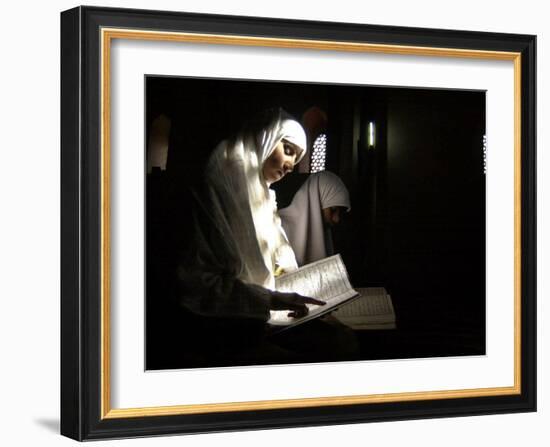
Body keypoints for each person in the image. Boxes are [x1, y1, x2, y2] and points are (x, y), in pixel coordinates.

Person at [278, 171, 351, 266]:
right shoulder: (278, 226)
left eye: (340, 213)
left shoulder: (324, 234)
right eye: (333, 210)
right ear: (316, 201)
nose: (336, 219)